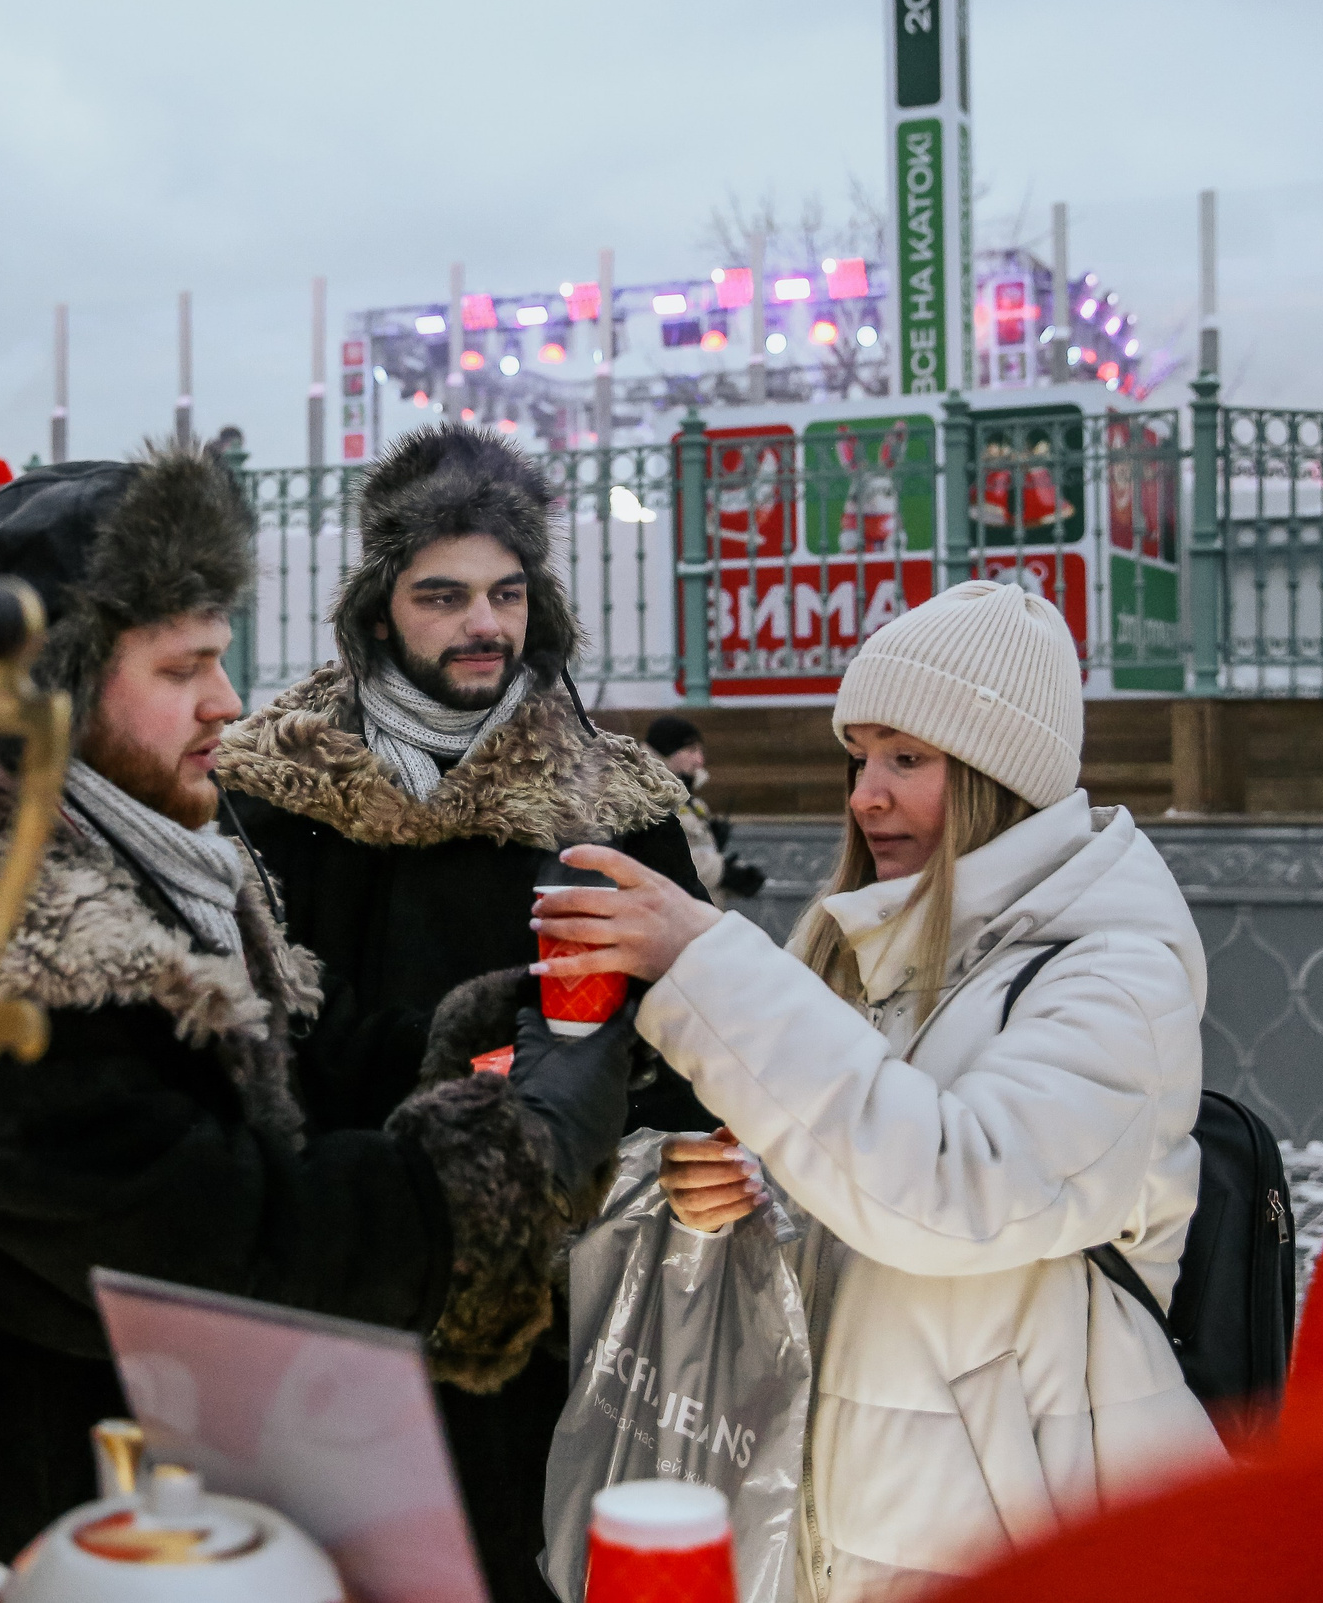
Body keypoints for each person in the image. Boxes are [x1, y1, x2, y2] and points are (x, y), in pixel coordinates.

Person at [0, 443, 642, 1569]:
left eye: (223, 659)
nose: (225, 700)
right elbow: (216, 1238)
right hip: (26, 1524)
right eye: (181, 670)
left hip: (150, 1487)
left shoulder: (120, 840)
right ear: (48, 690)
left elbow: (277, 1048)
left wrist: (473, 1047)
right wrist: (489, 1174)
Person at [532, 580, 1228, 1601]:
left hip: (1035, 1522)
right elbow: (861, 1173)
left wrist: (710, 963)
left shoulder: (1114, 970)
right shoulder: (880, 947)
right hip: (864, 1513)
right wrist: (744, 1189)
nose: (865, 794)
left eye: (908, 758)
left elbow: (960, 1192)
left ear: (999, 773)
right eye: (858, 756)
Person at [217, 423, 714, 1603]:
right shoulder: (270, 792)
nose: (482, 624)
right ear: (380, 609)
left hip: (553, 1304)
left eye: (505, 592)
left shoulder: (616, 804)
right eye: (441, 595)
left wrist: (682, 1130)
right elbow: (243, 1032)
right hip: (337, 1281)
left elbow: (694, 1036)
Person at [643, 714, 767, 906]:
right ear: (668, 752)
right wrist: (724, 873)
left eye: (701, 751)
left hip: (695, 915)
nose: (699, 760)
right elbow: (664, 860)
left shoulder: (692, 803)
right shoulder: (649, 798)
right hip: (671, 920)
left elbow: (694, 856)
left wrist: (715, 846)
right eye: (691, 750)